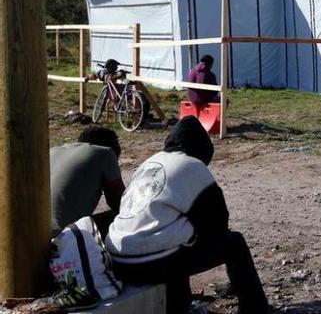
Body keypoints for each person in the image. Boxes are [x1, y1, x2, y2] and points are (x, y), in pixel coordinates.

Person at [106, 117, 270, 314]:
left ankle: (181, 303)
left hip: (118, 258)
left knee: (175, 234)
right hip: (152, 263)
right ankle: (255, 308)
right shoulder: (193, 165)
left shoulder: (149, 163)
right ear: (201, 147)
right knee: (234, 243)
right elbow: (219, 222)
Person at [50, 126, 125, 238]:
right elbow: (121, 204)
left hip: (34, 233)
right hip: (63, 238)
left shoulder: (53, 151)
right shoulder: (106, 153)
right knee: (128, 218)